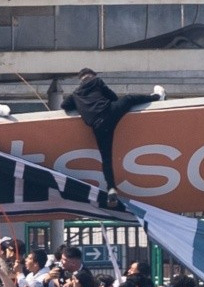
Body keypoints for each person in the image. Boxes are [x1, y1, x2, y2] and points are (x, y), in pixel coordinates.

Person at [61, 68, 165, 204]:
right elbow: (113, 97)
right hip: (109, 112)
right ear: (93, 75)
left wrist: (82, 105)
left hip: (98, 126)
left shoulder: (75, 94)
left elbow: (64, 105)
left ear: (80, 80)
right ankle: (157, 97)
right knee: (129, 99)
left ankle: (111, 189)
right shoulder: (97, 82)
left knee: (106, 158)